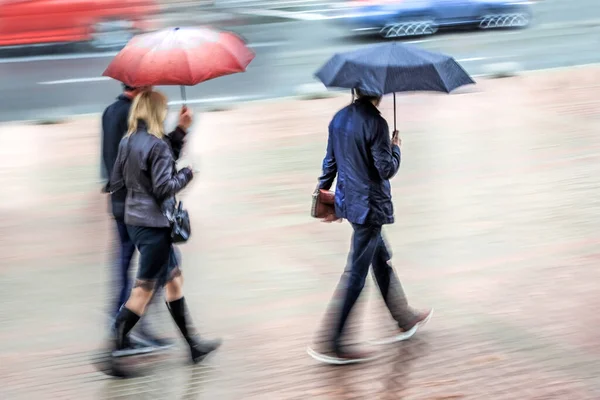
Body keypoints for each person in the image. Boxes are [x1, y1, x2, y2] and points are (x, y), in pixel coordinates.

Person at [308, 89, 433, 365]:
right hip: (370, 208)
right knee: (356, 274)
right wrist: (396, 147)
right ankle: (333, 342)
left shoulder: (339, 118)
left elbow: (330, 162)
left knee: (381, 259)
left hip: (349, 203)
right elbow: (386, 169)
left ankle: (404, 318)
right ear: (378, 93)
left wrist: (322, 190)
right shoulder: (377, 123)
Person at [107, 90, 221, 374]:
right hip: (155, 227)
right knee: (142, 292)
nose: (167, 111)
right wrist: (186, 174)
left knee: (174, 281)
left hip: (135, 221)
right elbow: (162, 187)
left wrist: (181, 130)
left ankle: (193, 346)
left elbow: (117, 180)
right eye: (165, 108)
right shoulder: (156, 145)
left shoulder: (129, 140)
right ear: (156, 111)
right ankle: (112, 352)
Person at [101, 83, 178, 350]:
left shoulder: (111, 111)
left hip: (121, 204)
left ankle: (120, 321)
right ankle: (128, 328)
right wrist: (179, 134)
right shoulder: (136, 117)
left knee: (126, 264)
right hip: (142, 211)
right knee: (159, 269)